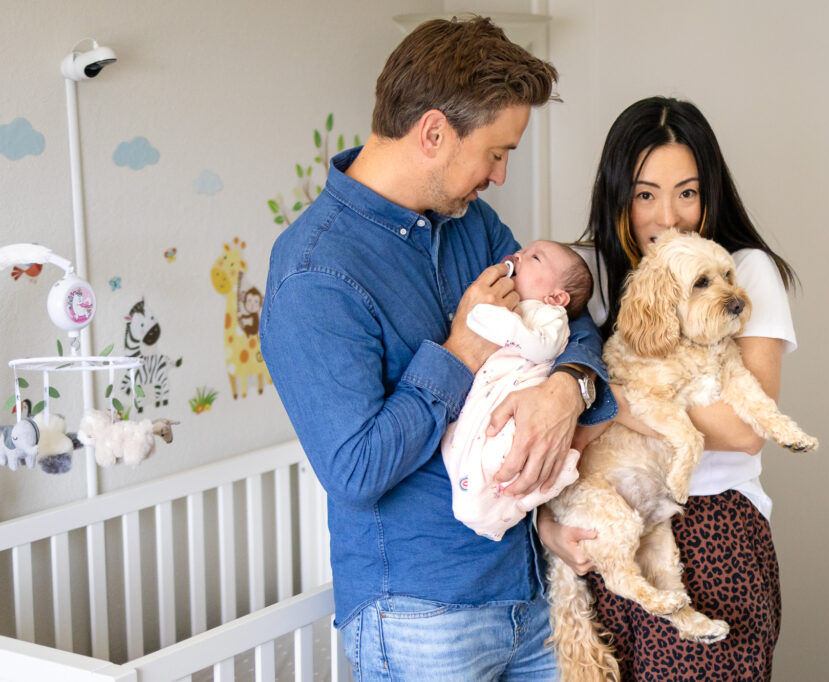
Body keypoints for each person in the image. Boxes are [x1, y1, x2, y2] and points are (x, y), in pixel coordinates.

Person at [259, 16, 613, 681]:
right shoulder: (315, 274)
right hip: (421, 616)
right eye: (496, 151)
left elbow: (570, 319)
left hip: (529, 588)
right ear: (432, 132)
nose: (502, 175)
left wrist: (567, 388)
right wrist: (460, 351)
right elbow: (357, 470)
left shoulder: (471, 225)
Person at [539, 96, 800, 681]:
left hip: (711, 529)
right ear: (618, 197)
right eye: (645, 194)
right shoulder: (584, 277)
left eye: (687, 192)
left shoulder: (744, 271)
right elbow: (547, 417)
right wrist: (551, 530)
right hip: (604, 531)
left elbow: (744, 431)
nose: (670, 217)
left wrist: (619, 401)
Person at [443, 240, 594, 541]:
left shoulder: (550, 316)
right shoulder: (513, 306)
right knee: (454, 444)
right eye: (523, 251)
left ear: (556, 296)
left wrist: (498, 321)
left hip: (518, 400)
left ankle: (523, 496)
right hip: (489, 395)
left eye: (534, 257)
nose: (519, 256)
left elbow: (542, 346)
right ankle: (504, 503)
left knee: (504, 455)